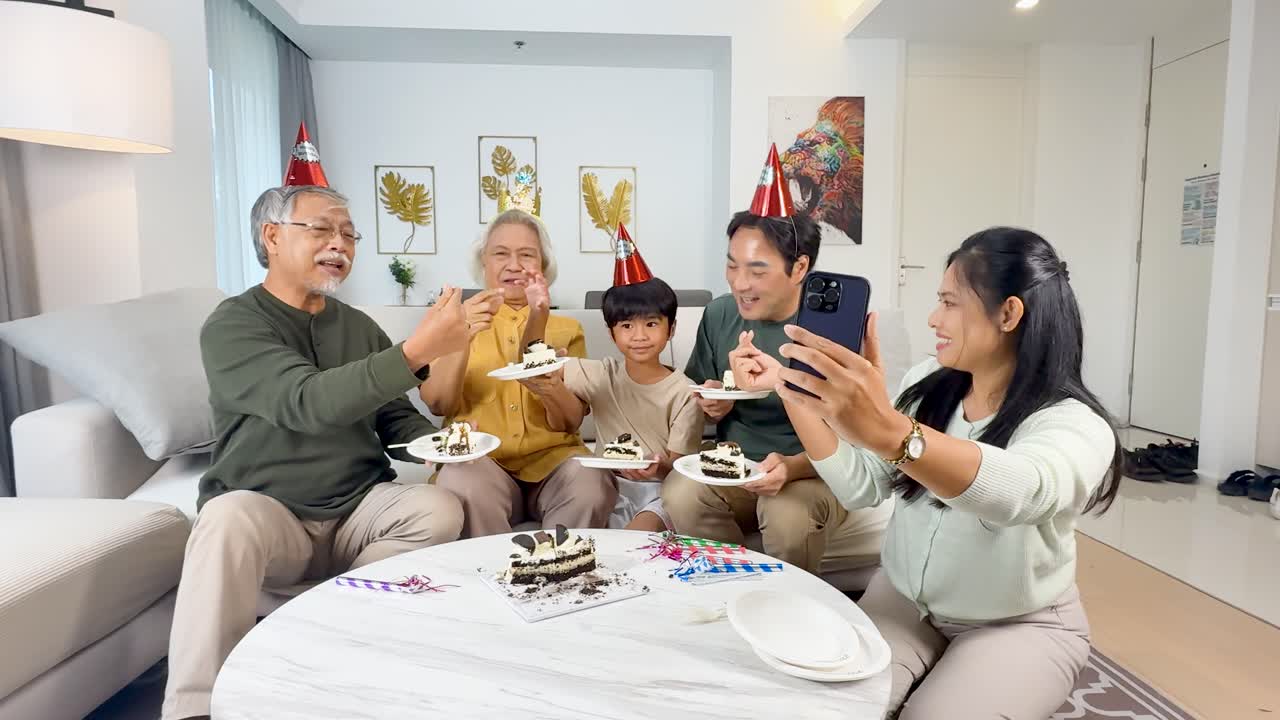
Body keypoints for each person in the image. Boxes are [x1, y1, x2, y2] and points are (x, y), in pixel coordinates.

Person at [730, 227, 1120, 718]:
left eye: (950, 302)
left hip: (1017, 623)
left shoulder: (1074, 423)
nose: (934, 318)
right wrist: (794, 391)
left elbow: (1024, 493)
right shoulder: (925, 385)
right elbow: (859, 486)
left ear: (1009, 313)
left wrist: (890, 431)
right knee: (822, 708)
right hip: (902, 600)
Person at [162, 179, 472, 717]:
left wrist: (441, 444)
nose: (341, 244)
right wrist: (420, 348)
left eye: (350, 235)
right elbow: (306, 401)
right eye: (324, 229)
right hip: (273, 513)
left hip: (357, 509)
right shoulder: (234, 324)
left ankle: (333, 632)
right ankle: (196, 705)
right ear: (273, 236)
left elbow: (392, 415)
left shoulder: (356, 325)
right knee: (225, 517)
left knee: (438, 506)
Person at [662, 144, 891, 573]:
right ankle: (733, 587)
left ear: (800, 267)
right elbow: (706, 399)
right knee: (680, 492)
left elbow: (862, 435)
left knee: (786, 515)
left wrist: (794, 466)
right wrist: (715, 402)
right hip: (738, 464)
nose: (739, 283)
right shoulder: (720, 314)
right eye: (732, 266)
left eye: (758, 270)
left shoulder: (834, 330)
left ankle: (787, 615)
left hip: (813, 474)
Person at [422, 204, 617, 536]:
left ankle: (562, 572)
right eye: (501, 254)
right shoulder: (453, 319)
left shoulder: (566, 329)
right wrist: (461, 337)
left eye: (526, 255)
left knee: (591, 480)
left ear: (543, 265)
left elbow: (571, 422)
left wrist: (551, 388)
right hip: (482, 463)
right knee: (460, 478)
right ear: (483, 262)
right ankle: (492, 577)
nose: (514, 265)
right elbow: (438, 403)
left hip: (553, 463)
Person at [552, 225, 704, 532]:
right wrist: (549, 358)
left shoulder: (686, 392)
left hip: (659, 494)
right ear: (611, 332)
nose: (639, 337)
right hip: (605, 488)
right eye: (626, 326)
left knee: (635, 542)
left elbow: (678, 465)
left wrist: (655, 466)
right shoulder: (602, 373)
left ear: (671, 329)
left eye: (651, 324)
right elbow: (547, 369)